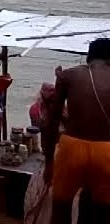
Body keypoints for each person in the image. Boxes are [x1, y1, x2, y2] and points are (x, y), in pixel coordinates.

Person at [44, 37, 110, 224]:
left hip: (72, 148)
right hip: (106, 150)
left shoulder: (68, 75)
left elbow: (52, 121)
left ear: (89, 57)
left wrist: (49, 162)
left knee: (60, 211)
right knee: (103, 214)